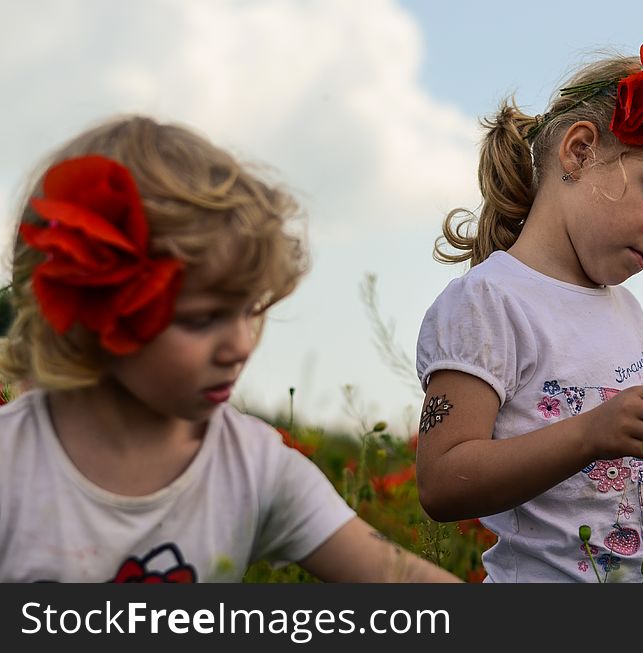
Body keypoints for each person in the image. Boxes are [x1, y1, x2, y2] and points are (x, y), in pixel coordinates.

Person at [0, 115, 460, 583]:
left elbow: (398, 577)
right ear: (87, 311)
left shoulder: (253, 467)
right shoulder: (12, 462)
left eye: (251, 310)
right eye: (202, 319)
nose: (240, 345)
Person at [415, 33, 643, 582]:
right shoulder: (489, 302)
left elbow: (637, 469)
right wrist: (588, 433)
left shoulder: (626, 310)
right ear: (580, 152)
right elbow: (441, 481)